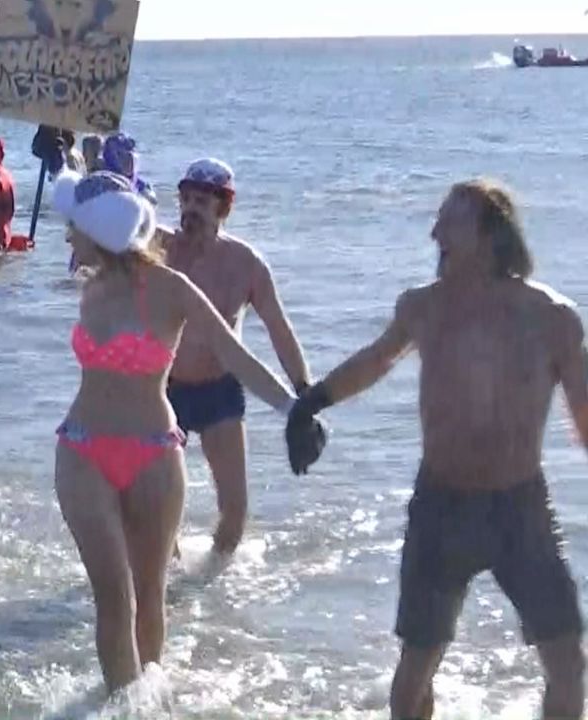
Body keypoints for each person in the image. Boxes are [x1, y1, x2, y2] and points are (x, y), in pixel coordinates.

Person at [288, 179, 587, 720]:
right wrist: (310, 403)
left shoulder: (553, 318)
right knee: (417, 667)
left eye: (449, 222)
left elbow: (586, 418)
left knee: (567, 660)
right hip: (441, 507)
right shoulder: (421, 307)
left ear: (489, 234)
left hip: (521, 509)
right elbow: (375, 361)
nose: (434, 232)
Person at [51, 168, 310, 694]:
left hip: (153, 453)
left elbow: (236, 354)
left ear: (100, 227)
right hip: (82, 450)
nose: (67, 235)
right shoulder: (91, 284)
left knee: (150, 594)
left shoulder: (171, 288)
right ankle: (120, 705)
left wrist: (295, 409)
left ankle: (147, 698)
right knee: (113, 596)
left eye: (74, 224)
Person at [158, 158, 311, 556]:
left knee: (235, 509)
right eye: (186, 199)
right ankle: (166, 585)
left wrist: (305, 393)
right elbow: (109, 235)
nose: (190, 209)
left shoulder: (247, 264)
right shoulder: (158, 249)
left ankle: (209, 589)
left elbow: (279, 330)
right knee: (158, 505)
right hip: (162, 391)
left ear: (224, 208)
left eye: (202, 202)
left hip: (220, 393)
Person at [102, 133, 156, 205]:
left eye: (130, 156)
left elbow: (153, 202)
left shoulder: (143, 187)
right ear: (110, 158)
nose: (128, 160)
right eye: (120, 155)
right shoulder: (101, 185)